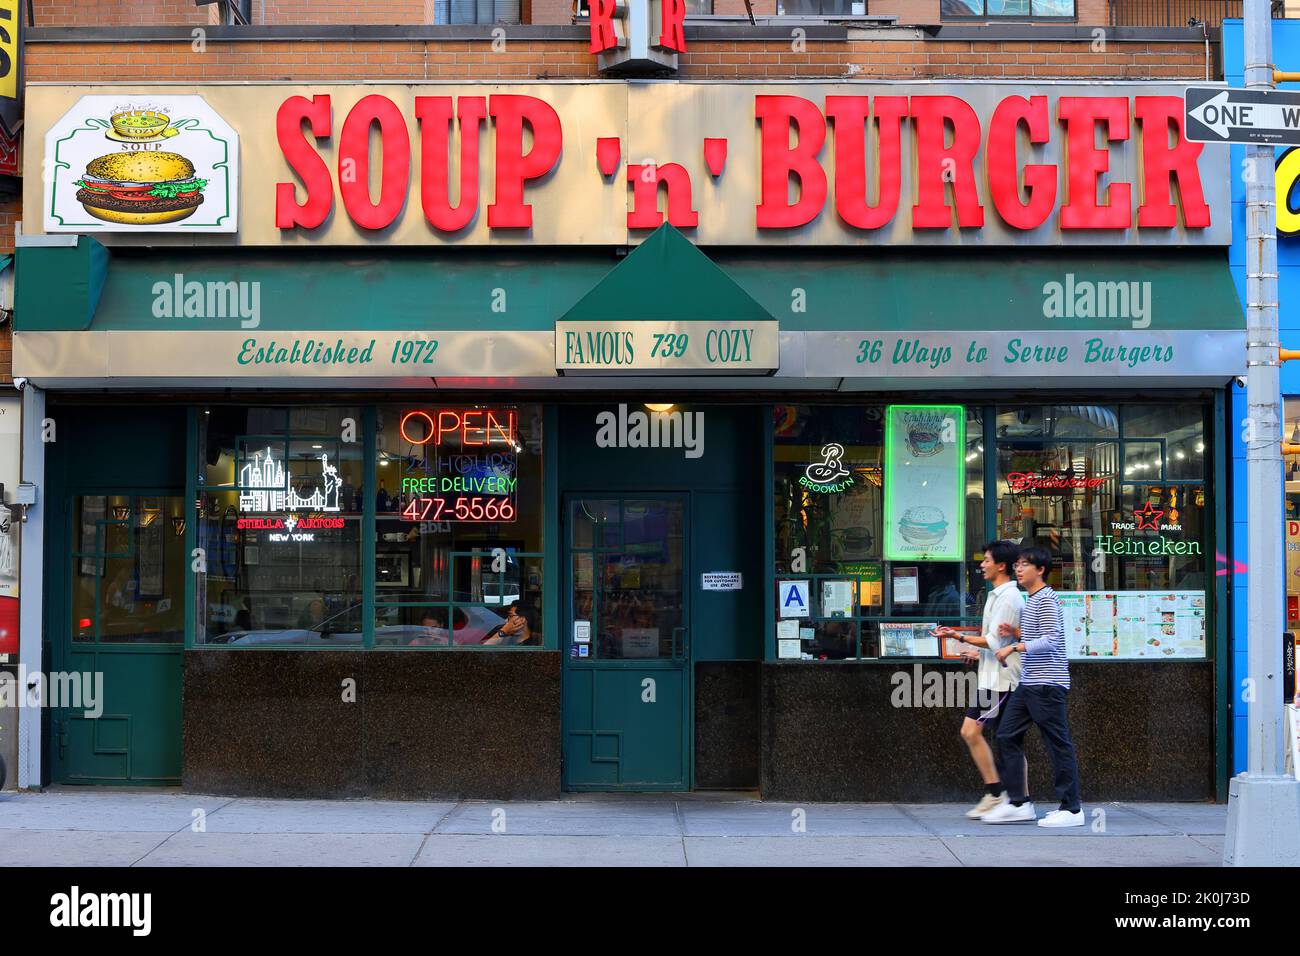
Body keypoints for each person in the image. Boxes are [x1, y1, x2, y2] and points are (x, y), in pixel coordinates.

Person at [982, 546, 1084, 827]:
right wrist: (1016, 633)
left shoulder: (1047, 600)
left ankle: (1072, 808)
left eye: (1025, 564)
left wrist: (1014, 645)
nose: (1019, 568)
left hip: (1048, 684)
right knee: (1006, 734)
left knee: (1057, 744)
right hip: (1029, 683)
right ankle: (1019, 803)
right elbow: (1037, 634)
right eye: (1017, 564)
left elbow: (1051, 639)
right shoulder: (1033, 599)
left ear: (1040, 570)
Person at [936, 539, 1025, 820]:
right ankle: (1003, 795)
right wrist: (977, 653)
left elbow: (994, 640)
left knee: (988, 736)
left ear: (1001, 565)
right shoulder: (996, 595)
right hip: (990, 677)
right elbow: (995, 642)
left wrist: (957, 636)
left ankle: (1008, 797)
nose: (982, 565)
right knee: (996, 738)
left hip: (1002, 680)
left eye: (987, 560)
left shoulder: (1010, 598)